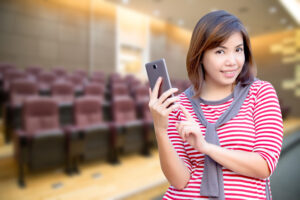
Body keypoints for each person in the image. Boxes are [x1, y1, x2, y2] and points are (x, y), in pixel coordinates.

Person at [148, 10, 283, 200]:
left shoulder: (260, 92)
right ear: (200, 55)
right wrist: (160, 129)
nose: (232, 61)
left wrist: (206, 147)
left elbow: (264, 166)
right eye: (220, 51)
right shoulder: (182, 104)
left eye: (238, 50)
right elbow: (179, 181)